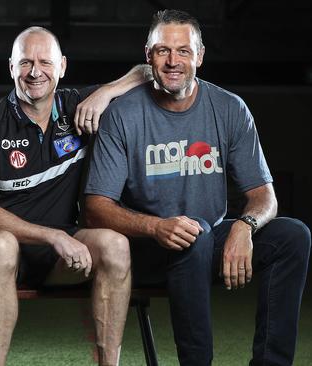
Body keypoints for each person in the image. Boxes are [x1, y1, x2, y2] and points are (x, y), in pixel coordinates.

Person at [84, 9, 311, 366]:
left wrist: (244, 226)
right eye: (163, 51)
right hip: (149, 246)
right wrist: (155, 226)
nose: (173, 61)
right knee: (197, 233)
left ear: (200, 57)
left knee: (292, 236)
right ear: (148, 56)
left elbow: (264, 196)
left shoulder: (229, 108)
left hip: (211, 236)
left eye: (184, 51)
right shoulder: (123, 114)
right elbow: (96, 206)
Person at [0, 26, 152, 366]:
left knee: (115, 245)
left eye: (45, 62)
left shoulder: (77, 106)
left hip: (59, 253)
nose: (35, 72)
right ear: (10, 68)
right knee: (3, 245)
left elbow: (147, 71)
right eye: (25, 63)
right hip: (1, 249)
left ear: (62, 66)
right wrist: (53, 237)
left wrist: (104, 93)